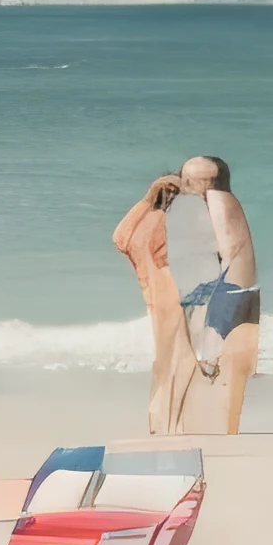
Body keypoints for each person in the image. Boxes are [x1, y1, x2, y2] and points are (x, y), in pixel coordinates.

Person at [168, 153, 262, 433]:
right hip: (233, 289)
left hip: (227, 291)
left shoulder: (218, 204)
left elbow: (228, 254)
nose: (191, 186)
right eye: (188, 180)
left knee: (210, 367)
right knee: (217, 373)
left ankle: (207, 433)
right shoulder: (214, 205)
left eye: (201, 181)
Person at [115, 172, 187, 434]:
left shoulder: (149, 227)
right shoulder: (175, 225)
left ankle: (161, 428)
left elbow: (120, 238)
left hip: (159, 305)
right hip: (182, 305)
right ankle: (172, 429)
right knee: (177, 368)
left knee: (165, 368)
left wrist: (148, 197)